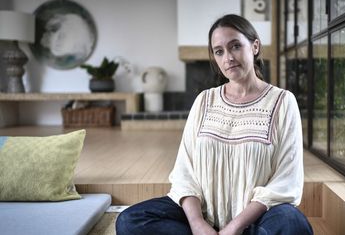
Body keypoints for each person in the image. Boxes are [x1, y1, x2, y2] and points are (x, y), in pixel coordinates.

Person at [116, 14, 313, 235]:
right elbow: (185, 172)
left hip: (256, 220)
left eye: (235, 46)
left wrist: (235, 227)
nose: (228, 57)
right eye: (219, 51)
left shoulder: (282, 102)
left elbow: (286, 180)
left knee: (291, 223)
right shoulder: (204, 100)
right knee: (130, 220)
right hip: (204, 214)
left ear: (255, 46)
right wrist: (198, 225)